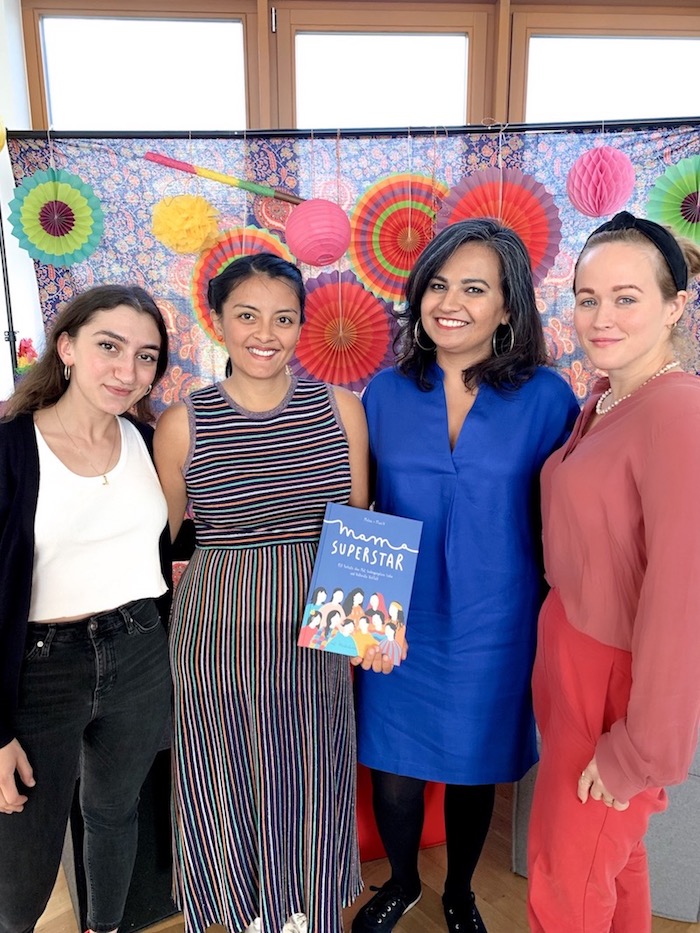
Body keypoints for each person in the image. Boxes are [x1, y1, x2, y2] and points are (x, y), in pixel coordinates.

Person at [351, 218, 580, 933]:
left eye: (475, 288)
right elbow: (363, 506)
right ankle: (402, 881)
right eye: (439, 284)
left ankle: (459, 890)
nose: (450, 301)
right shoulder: (382, 393)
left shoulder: (549, 397)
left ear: (508, 308)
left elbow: (560, 519)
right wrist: (359, 620)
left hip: (500, 616)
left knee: (477, 765)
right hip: (398, 617)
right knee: (392, 765)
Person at [154, 252, 370, 933]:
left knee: (315, 763)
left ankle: (307, 906)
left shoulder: (342, 409)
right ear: (216, 320)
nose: (264, 332)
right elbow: (162, 544)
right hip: (216, 624)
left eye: (283, 317)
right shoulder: (182, 422)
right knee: (224, 768)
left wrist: (363, 628)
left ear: (302, 325)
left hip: (319, 618)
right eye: (246, 315)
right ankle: (242, 909)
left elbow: (359, 521)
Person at [526, 211, 700, 933]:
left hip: (616, 678)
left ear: (676, 304)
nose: (600, 316)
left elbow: (683, 591)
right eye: (587, 296)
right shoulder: (602, 397)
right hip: (571, 652)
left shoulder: (678, 413)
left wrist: (642, 748)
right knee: (612, 859)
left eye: (626, 297)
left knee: (565, 884)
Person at [0, 285, 172, 933]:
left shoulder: (149, 441)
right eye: (109, 346)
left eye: (146, 356)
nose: (128, 371)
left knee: (114, 812)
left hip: (140, 651)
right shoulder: (12, 448)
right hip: (38, 670)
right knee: (21, 861)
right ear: (67, 346)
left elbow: (196, 538)